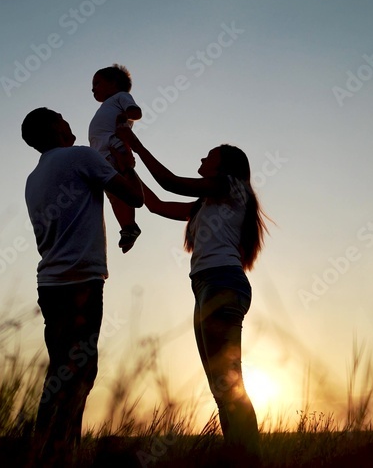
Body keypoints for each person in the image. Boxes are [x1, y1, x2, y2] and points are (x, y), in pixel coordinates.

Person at [116, 126, 268, 459]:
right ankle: (239, 457)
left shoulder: (232, 187)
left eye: (209, 155)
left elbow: (170, 181)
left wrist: (137, 145)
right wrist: (128, 168)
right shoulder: (205, 204)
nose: (202, 158)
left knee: (228, 386)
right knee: (221, 388)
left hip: (222, 283)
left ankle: (248, 459)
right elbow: (154, 204)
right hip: (205, 286)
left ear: (224, 165)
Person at [21, 107, 143, 459]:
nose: (68, 121)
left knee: (62, 369)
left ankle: (48, 448)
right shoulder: (81, 157)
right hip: (81, 282)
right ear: (55, 129)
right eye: (62, 118)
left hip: (51, 283)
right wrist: (126, 162)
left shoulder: (34, 176)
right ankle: (58, 451)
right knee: (80, 371)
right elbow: (134, 197)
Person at [88, 64, 144, 252]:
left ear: (113, 83)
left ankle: (129, 225)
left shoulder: (121, 97)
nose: (93, 88)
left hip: (114, 149)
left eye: (97, 83)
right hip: (102, 155)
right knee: (114, 195)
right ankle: (127, 227)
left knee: (121, 188)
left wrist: (123, 116)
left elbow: (137, 113)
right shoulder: (106, 105)